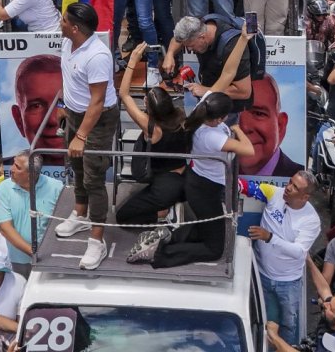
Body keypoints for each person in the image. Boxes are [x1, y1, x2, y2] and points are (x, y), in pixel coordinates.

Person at [137, 92, 253, 267]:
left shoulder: (200, 114)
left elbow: (215, 88)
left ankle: (166, 237)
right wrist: (237, 129)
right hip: (205, 191)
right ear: (220, 119)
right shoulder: (212, 137)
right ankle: (160, 254)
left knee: (207, 228)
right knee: (215, 249)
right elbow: (249, 150)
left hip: (199, 183)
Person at [50, 2, 118, 270]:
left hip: (97, 121)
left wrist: (81, 135)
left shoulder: (98, 56)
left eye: (64, 20)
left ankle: (96, 240)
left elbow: (98, 101)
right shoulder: (69, 44)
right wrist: (64, 107)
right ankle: (80, 213)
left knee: (93, 179)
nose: (60, 22)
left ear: (75, 28)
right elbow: (69, 78)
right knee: (76, 167)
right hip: (75, 115)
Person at [240, 171, 321, 346]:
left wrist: (269, 237)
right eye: (290, 182)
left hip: (288, 282)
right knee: (264, 322)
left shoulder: (311, 220)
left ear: (305, 196)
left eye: (295, 187)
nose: (288, 188)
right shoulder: (275, 192)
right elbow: (249, 188)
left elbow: (299, 252)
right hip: (261, 274)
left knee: (288, 325)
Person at [114, 43, 189, 231]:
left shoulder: (152, 128)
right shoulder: (182, 117)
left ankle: (163, 214)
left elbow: (124, 94)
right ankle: (168, 207)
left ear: (150, 111)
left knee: (123, 217)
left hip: (165, 183)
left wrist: (132, 60)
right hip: (184, 174)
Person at [0, 152, 61, 275]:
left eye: (18, 167)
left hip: (48, 259)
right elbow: (5, 228)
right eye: (13, 163)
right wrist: (33, 252)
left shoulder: (57, 188)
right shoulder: (4, 188)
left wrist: (43, 255)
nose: (12, 169)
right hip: (18, 261)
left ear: (31, 174)